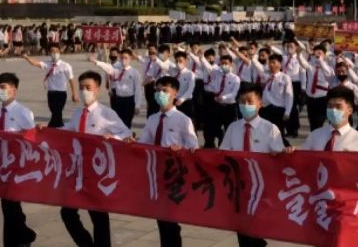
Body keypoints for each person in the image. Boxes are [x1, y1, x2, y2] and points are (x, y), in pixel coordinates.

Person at [58, 71, 132, 247]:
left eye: (88, 87)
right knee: (67, 213)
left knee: (98, 216)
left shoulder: (106, 113)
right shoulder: (78, 113)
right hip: (77, 170)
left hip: (97, 172)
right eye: (81, 87)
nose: (84, 91)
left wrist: (112, 138)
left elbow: (126, 132)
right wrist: (46, 130)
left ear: (97, 89)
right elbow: (69, 129)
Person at [130, 76, 198, 247]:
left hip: (174, 175)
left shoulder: (183, 120)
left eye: (165, 90)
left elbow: (193, 148)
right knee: (161, 217)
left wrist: (180, 151)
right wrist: (129, 141)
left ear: (175, 93)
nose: (160, 93)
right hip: (156, 173)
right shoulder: (153, 119)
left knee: (171, 220)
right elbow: (144, 143)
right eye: (158, 90)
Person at [219, 83, 289, 247]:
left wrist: (281, 154)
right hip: (238, 187)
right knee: (242, 230)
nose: (245, 105)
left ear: (260, 103)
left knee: (256, 231)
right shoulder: (233, 127)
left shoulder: (270, 128)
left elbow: (279, 159)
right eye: (242, 102)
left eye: (250, 101)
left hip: (261, 188)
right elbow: (222, 155)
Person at [0, 72, 38, 247]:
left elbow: (32, 139)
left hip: (17, 165)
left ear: (14, 90)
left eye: (3, 87)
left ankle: (17, 239)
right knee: (8, 205)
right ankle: (23, 236)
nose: (0, 91)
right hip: (2, 164)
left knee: (11, 205)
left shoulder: (23, 112)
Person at [299, 86, 358, 152]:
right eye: (330, 106)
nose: (333, 110)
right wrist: (291, 153)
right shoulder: (315, 135)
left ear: (350, 110)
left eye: (338, 107)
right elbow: (302, 160)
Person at [23, 46, 77, 127]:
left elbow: (71, 80)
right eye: (52, 51)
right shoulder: (47, 64)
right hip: (51, 93)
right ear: (49, 53)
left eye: (56, 51)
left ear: (59, 52)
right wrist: (26, 57)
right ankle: (60, 128)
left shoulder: (66, 66)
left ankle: (50, 128)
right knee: (55, 113)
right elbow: (35, 63)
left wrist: (74, 94)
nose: (54, 53)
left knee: (57, 112)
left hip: (61, 93)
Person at [90, 49, 144, 129]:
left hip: (129, 101)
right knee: (117, 122)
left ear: (130, 59)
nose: (123, 60)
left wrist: (137, 105)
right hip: (118, 100)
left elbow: (138, 90)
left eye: (126, 58)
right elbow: (107, 67)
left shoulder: (134, 72)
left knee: (127, 123)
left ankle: (126, 138)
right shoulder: (116, 71)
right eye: (122, 58)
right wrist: (96, 62)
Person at [249, 53, 294, 139]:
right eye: (270, 62)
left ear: (280, 64)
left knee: (278, 134)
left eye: (273, 62)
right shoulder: (265, 75)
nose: (271, 65)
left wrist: (287, 112)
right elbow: (258, 66)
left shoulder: (285, 78)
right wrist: (253, 57)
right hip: (265, 108)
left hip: (278, 109)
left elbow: (289, 95)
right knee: (264, 133)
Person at [201, 54, 242, 148]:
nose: (224, 65)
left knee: (229, 128)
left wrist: (223, 98)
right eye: (222, 63)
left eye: (226, 63)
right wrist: (202, 58)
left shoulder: (235, 78)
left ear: (231, 64)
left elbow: (234, 93)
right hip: (217, 105)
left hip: (229, 107)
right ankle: (216, 142)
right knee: (213, 127)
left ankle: (227, 146)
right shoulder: (216, 73)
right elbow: (208, 67)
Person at [297, 43, 334, 131]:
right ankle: (314, 136)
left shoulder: (328, 67)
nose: (316, 55)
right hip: (310, 98)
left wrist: (320, 60)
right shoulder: (311, 66)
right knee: (312, 121)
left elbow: (329, 73)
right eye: (315, 53)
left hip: (322, 98)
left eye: (320, 53)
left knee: (319, 120)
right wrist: (299, 54)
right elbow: (303, 63)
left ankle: (318, 136)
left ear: (324, 55)